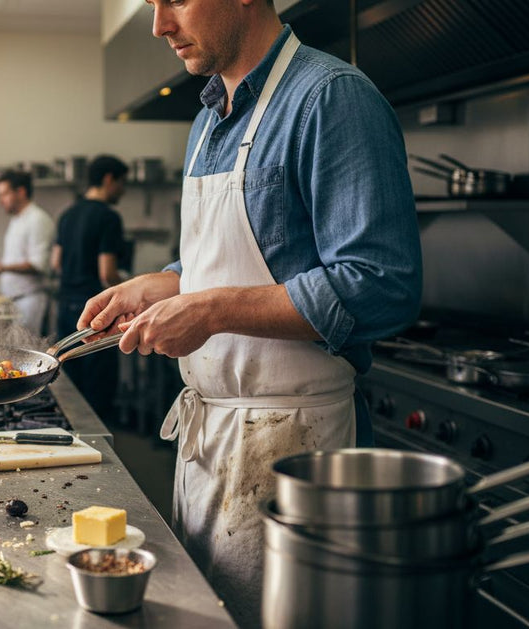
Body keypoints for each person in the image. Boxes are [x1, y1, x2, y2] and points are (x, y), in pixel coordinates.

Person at [79, 2, 422, 626]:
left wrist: (209, 310)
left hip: (296, 451)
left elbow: (381, 284)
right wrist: (164, 285)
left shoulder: (331, 98)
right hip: (208, 448)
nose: (159, 25)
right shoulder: (209, 119)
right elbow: (235, 262)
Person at [50, 155, 129, 420]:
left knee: (71, 385)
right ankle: (101, 447)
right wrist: (131, 288)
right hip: (94, 314)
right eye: (121, 183)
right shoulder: (108, 217)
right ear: (109, 179)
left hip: (65, 306)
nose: (123, 190)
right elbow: (106, 273)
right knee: (98, 385)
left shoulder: (67, 214)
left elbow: (56, 263)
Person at [0, 170, 55, 335]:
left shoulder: (38, 219)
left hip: (30, 300)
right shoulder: (17, 219)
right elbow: (15, 259)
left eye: (4, 194)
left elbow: (38, 264)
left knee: (31, 351)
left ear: (21, 192)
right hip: (15, 301)